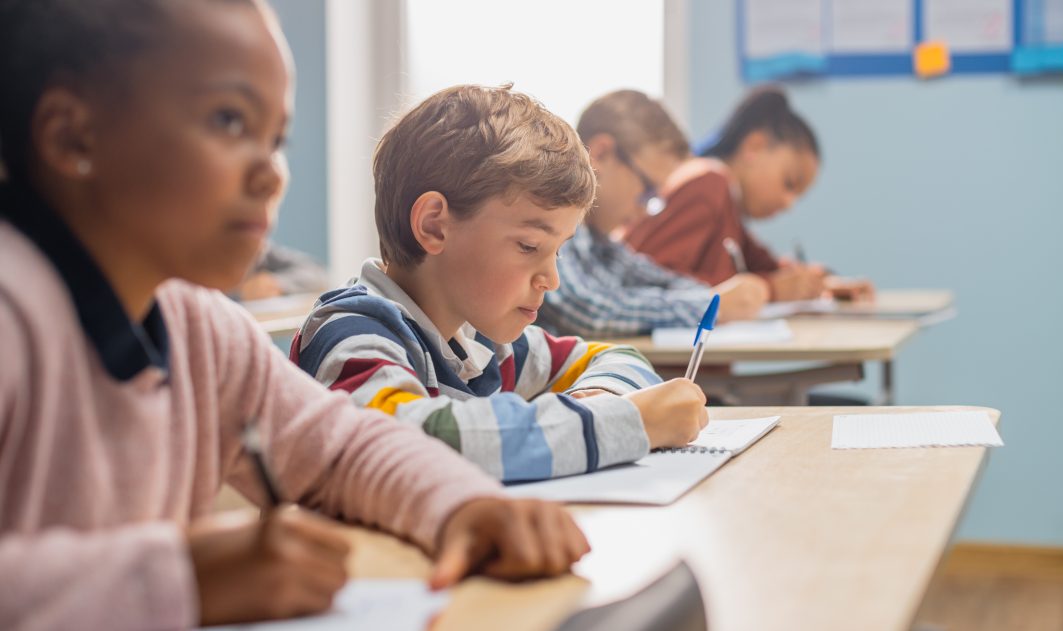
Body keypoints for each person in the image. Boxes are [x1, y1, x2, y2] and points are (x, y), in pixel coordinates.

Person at [0, 2, 588, 628]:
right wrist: (181, 577)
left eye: (275, 138)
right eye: (230, 120)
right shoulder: (15, 310)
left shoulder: (200, 327)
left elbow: (340, 449)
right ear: (71, 137)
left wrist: (460, 504)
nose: (271, 173)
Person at [293, 84, 709, 483]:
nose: (552, 279)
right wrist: (626, 422)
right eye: (529, 246)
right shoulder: (348, 332)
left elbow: (620, 357)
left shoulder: (483, 344)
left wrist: (598, 399)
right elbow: (402, 447)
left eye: (558, 250)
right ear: (434, 225)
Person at [538, 90, 769, 338]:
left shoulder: (599, 242)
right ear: (601, 154)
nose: (644, 210)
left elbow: (658, 279)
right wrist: (710, 306)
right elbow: (589, 311)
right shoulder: (551, 219)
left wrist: (718, 297)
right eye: (647, 190)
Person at [624, 87, 875, 302]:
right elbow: (649, 278)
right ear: (754, 146)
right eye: (789, 183)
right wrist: (771, 289)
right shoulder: (709, 183)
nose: (789, 204)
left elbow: (764, 265)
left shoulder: (727, 205)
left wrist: (820, 282)